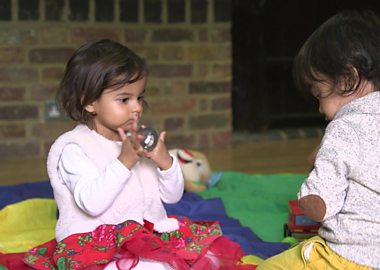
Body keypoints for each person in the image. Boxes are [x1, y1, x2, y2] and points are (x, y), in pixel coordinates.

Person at [20, 39, 247, 270]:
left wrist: (165, 163)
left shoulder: (135, 141)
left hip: (146, 236)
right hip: (95, 246)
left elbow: (173, 196)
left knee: (202, 257)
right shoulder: (75, 148)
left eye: (139, 98)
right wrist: (125, 161)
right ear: (89, 102)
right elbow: (91, 204)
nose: (137, 107)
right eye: (124, 99)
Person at [257, 10, 380, 270]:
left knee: (269, 268)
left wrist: (312, 184)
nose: (320, 109)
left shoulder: (345, 128)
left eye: (319, 94)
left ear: (349, 78)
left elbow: (320, 205)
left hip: (350, 258)